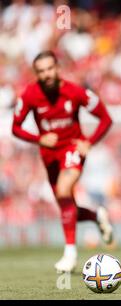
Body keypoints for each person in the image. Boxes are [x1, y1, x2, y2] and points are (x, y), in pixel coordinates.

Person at [12, 50, 114, 273]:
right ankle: (97, 215)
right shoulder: (29, 95)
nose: (47, 74)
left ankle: (70, 254)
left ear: (57, 68)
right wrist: (39, 139)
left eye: (50, 69)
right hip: (49, 157)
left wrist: (90, 142)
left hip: (72, 149)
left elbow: (106, 118)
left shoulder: (75, 92)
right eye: (41, 71)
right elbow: (15, 127)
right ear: (36, 74)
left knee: (64, 190)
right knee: (66, 208)